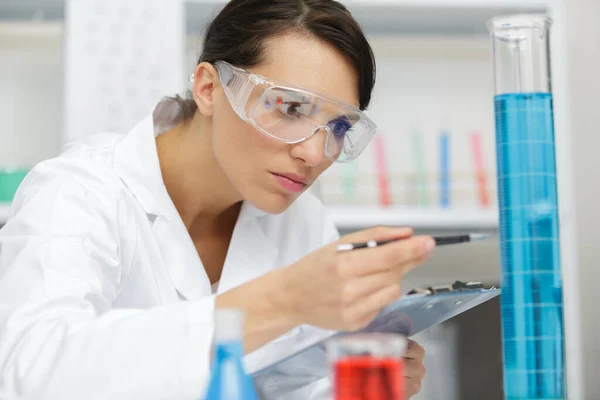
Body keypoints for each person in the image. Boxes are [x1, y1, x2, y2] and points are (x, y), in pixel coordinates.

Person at [0, 1, 433, 399]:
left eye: (339, 128)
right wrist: (280, 300)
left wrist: (349, 386)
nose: (315, 154)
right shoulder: (80, 191)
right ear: (209, 88)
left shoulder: (303, 222)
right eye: (291, 109)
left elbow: (286, 387)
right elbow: (30, 373)